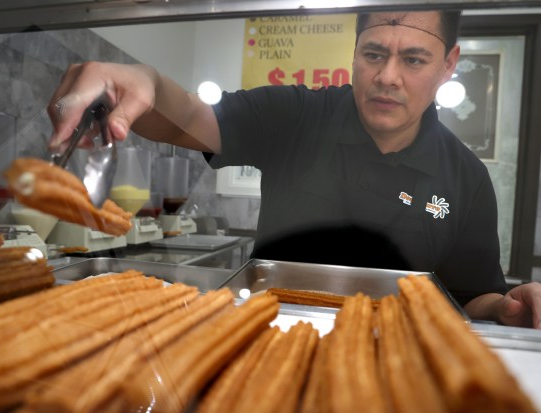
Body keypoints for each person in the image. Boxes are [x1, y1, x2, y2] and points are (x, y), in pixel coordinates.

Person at [47, 10, 541, 329]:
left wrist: (508, 308)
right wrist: (145, 80)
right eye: (373, 54)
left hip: (398, 371)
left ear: (449, 63)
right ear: (354, 52)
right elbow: (193, 120)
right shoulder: (296, 115)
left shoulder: (467, 179)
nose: (387, 77)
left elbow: (472, 298)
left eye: (414, 60)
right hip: (265, 344)